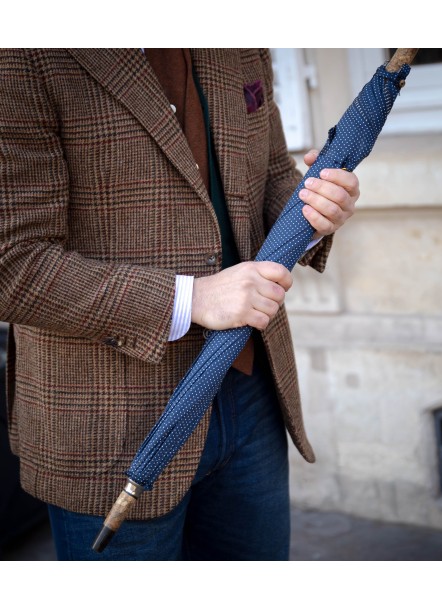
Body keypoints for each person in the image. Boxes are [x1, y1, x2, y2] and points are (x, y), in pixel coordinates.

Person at [0, 48, 359, 560]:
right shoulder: (23, 50)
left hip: (251, 392)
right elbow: (12, 263)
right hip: (108, 421)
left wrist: (315, 212)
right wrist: (190, 298)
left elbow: (271, 178)